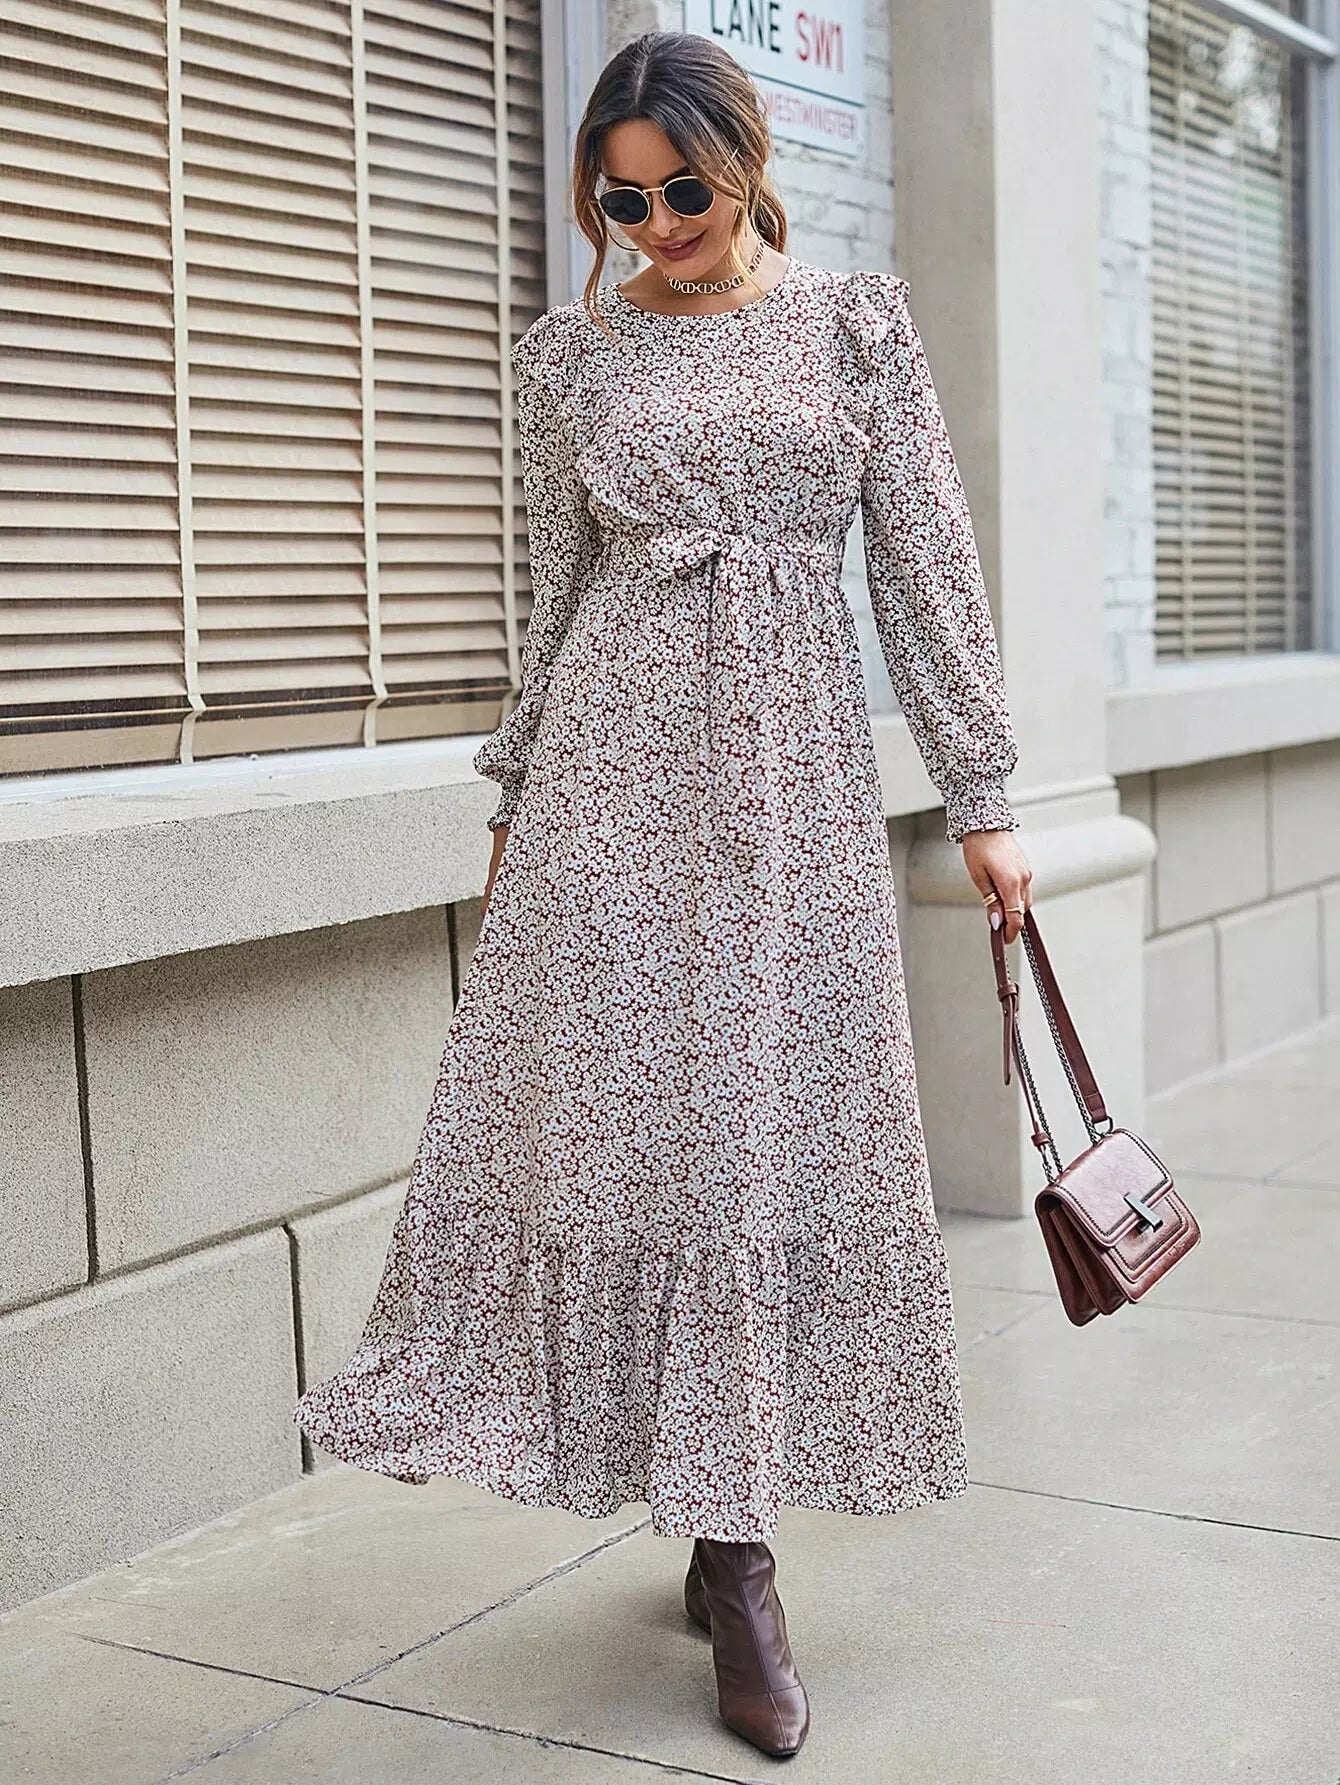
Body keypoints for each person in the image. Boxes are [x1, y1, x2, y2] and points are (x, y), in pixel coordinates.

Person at [294, 28, 1033, 1763]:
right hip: (612, 791)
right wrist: (515, 788)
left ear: (747, 157)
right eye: (620, 202)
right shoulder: (575, 356)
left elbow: (927, 564)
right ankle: (729, 1542)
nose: (654, 225)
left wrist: (987, 794)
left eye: (681, 188)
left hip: (789, 797)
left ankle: (733, 1528)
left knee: (759, 1133)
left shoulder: (853, 326)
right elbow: (555, 593)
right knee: (638, 1136)